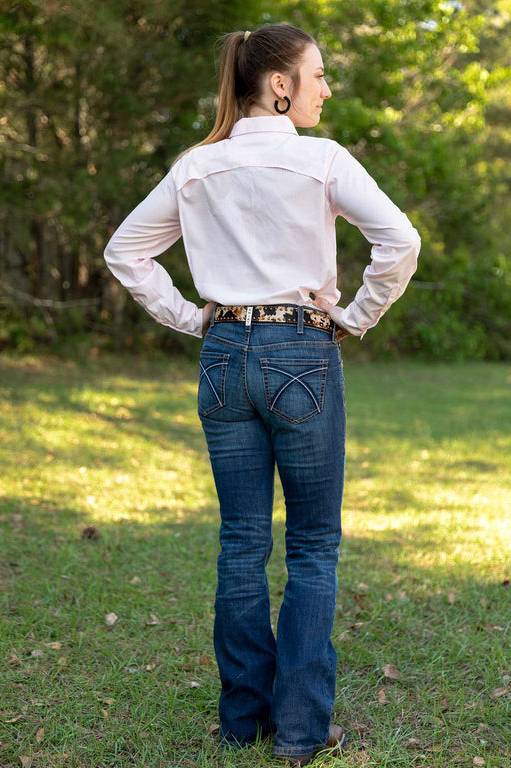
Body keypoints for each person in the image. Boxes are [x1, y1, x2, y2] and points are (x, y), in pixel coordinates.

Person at [103, 23, 421, 766]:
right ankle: (303, 733)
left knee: (242, 542)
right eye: (317, 75)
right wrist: (354, 318)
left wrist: (193, 318)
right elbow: (399, 242)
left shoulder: (196, 166)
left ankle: (243, 723)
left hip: (223, 357)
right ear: (279, 85)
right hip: (301, 351)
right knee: (312, 546)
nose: (325, 88)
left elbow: (126, 251)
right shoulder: (321, 160)